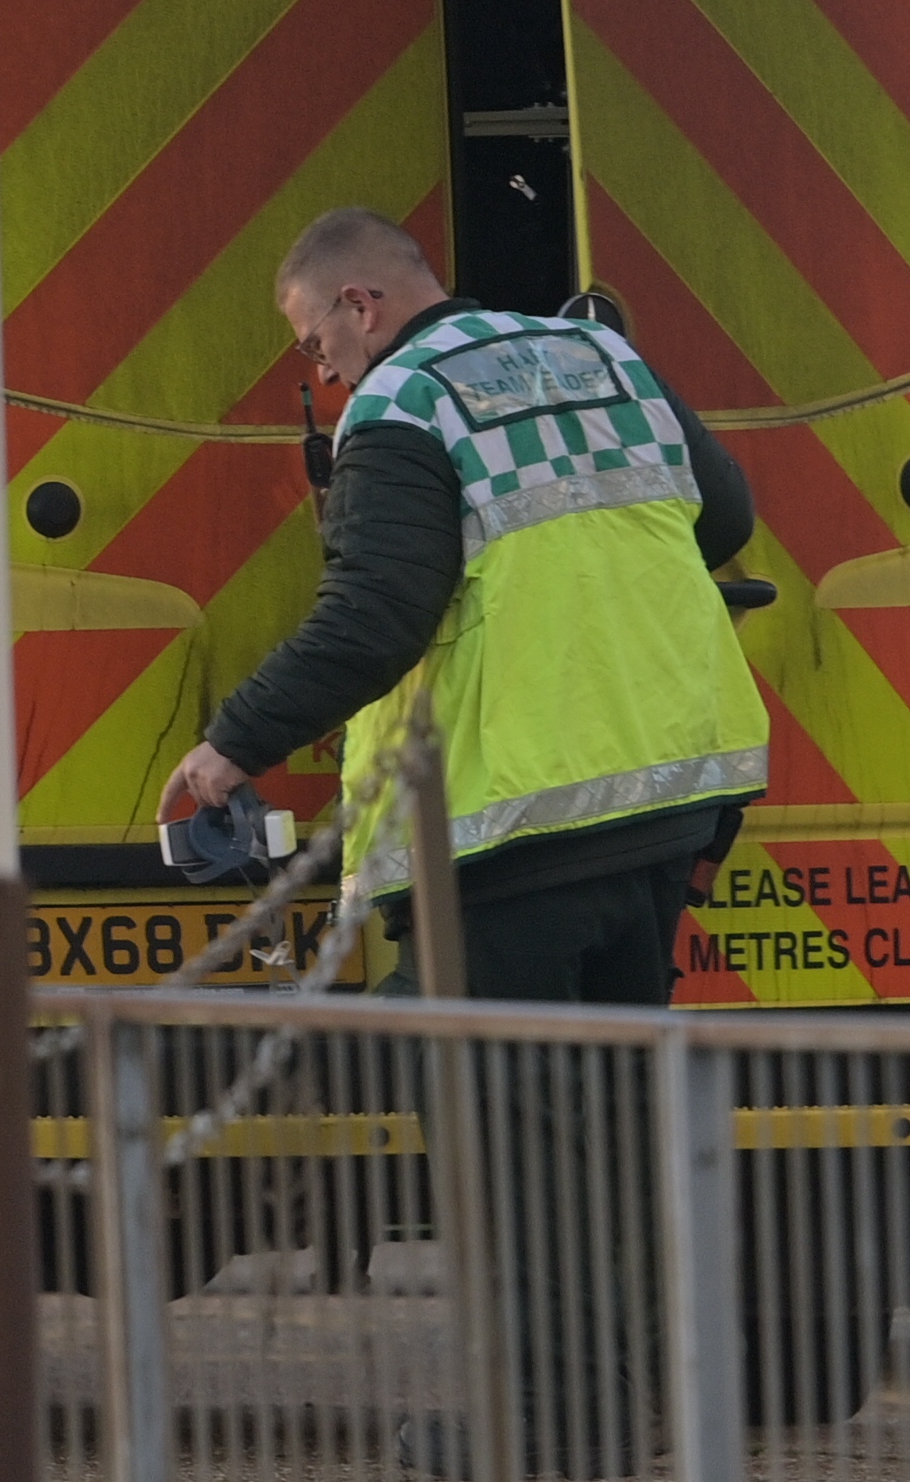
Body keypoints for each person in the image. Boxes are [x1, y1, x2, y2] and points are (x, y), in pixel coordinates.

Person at [172, 208, 769, 1002]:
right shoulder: (602, 354)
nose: (322, 373)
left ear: (360, 304)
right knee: (621, 1101)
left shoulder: (402, 402)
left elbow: (373, 616)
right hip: (661, 805)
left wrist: (235, 742)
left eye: (315, 344)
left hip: (515, 830)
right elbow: (724, 521)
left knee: (496, 1111)